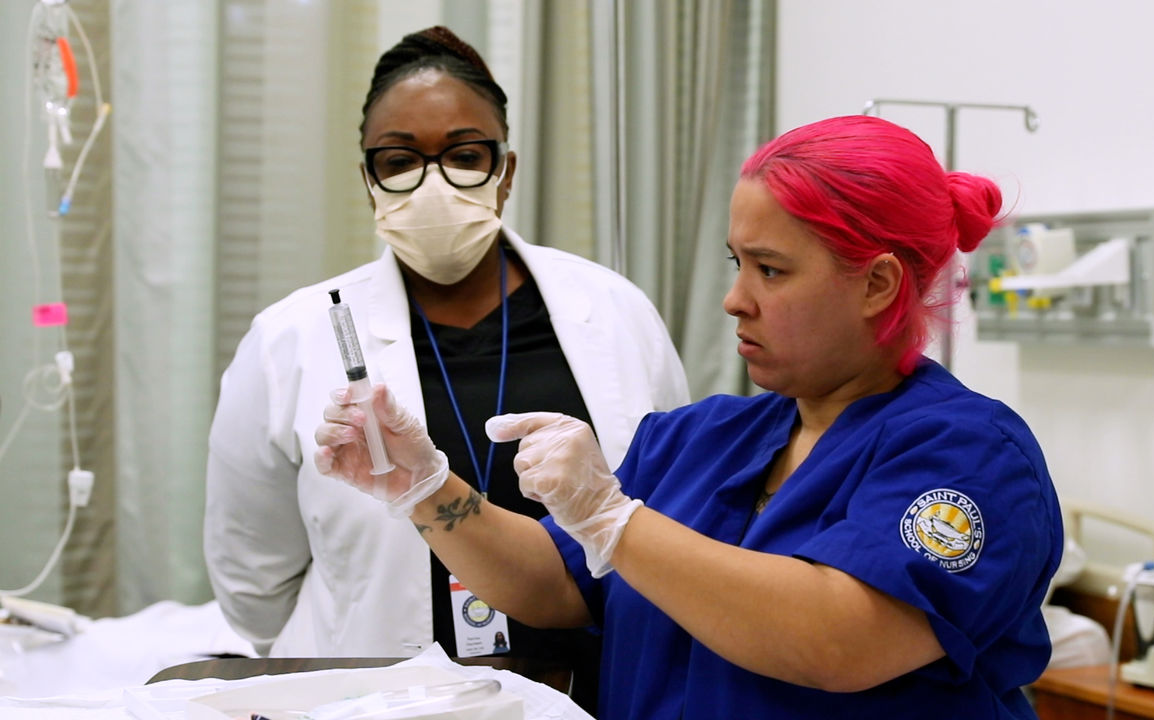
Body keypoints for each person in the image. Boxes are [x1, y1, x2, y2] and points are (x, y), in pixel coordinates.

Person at [315, 115, 1063, 719]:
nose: (737, 299)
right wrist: (426, 488)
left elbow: (838, 640)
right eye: (737, 264)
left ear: (877, 284)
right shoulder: (704, 438)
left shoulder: (969, 455)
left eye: (771, 270)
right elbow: (557, 581)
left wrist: (615, 518)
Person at [203, 25, 689, 714]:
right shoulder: (289, 338)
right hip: (381, 694)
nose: (432, 184)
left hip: (595, 690)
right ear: (368, 177)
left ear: (506, 171)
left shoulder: (614, 312)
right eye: (399, 161)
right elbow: (254, 585)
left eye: (465, 155)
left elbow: (671, 518)